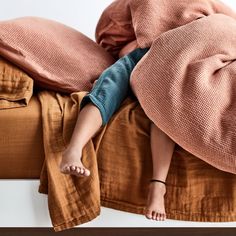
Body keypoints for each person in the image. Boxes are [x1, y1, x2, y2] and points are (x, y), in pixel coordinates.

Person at [59, 43, 176, 221]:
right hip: (141, 58)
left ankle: (158, 186)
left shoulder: (207, 19)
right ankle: (73, 150)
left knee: (165, 105)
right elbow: (122, 47)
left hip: (173, 65)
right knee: (108, 85)